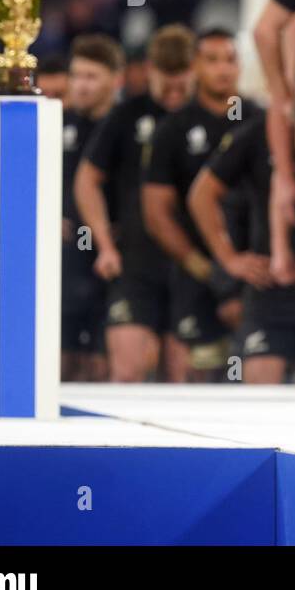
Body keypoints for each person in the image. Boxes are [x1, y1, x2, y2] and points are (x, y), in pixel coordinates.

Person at [76, 25, 196, 382]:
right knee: (128, 368)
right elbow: (86, 180)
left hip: (192, 264)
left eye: (181, 82)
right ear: (148, 71)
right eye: (165, 82)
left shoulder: (208, 114)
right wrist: (105, 245)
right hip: (135, 261)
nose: (173, 93)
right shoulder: (127, 116)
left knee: (185, 375)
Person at [143, 28, 260, 381]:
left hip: (255, 269)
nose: (223, 69)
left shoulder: (258, 118)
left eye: (230, 60)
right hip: (195, 271)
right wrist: (205, 267)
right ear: (195, 65)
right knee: (193, 374)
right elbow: (156, 212)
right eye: (212, 60)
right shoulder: (173, 129)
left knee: (255, 375)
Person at [189, 113, 295, 384]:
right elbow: (201, 195)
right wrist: (229, 260)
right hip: (271, 284)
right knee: (261, 387)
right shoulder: (255, 132)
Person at [61, 34, 124, 382]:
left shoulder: (129, 125)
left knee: (105, 365)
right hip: (68, 259)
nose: (81, 86)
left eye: (91, 77)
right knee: (62, 360)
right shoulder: (56, 124)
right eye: (76, 76)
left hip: (114, 260)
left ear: (116, 79)